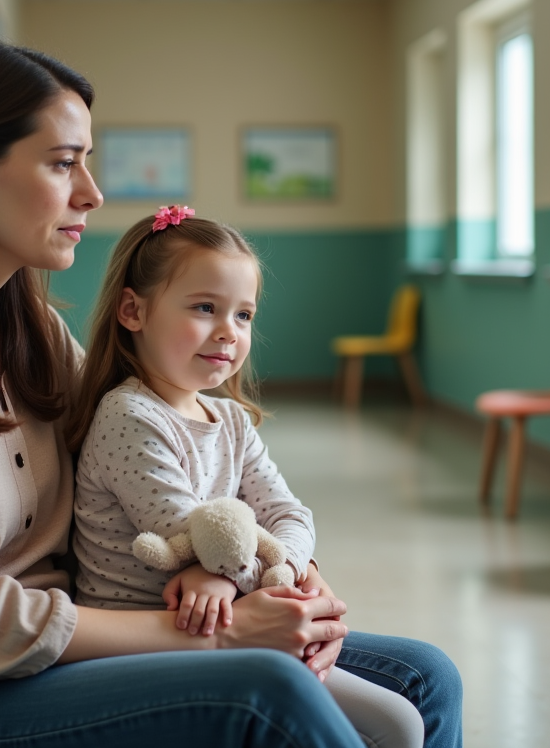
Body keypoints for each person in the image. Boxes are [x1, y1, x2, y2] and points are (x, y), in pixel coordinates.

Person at [0, 38, 463, 748]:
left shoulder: (30, 328)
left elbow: (154, 450)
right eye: (63, 163)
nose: (92, 194)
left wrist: (296, 578)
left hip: (62, 645)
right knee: (266, 697)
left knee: (424, 677)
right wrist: (220, 637)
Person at [67, 209, 433, 747]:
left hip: (232, 620)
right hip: (154, 640)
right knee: (396, 725)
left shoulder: (232, 421)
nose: (227, 332)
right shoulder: (129, 417)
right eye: (204, 308)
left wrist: (289, 571)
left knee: (413, 699)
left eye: (243, 315)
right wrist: (260, 582)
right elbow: (188, 537)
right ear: (133, 311)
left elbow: (287, 513)